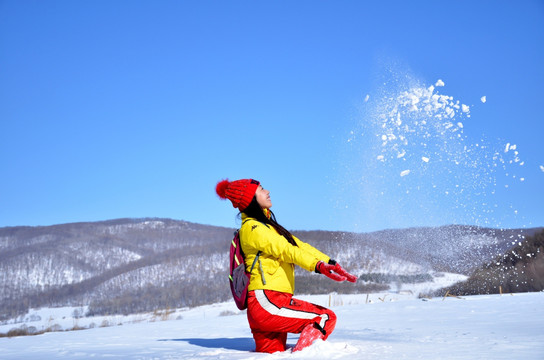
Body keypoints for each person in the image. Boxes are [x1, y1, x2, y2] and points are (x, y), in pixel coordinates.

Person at [215, 178, 357, 353]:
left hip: (269, 305)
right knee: (325, 317)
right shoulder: (252, 229)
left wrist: (330, 263)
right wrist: (317, 266)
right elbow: (285, 250)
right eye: (261, 189)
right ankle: (304, 356)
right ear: (250, 198)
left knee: (274, 354)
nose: (267, 191)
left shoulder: (268, 227)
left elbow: (300, 247)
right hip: (267, 302)